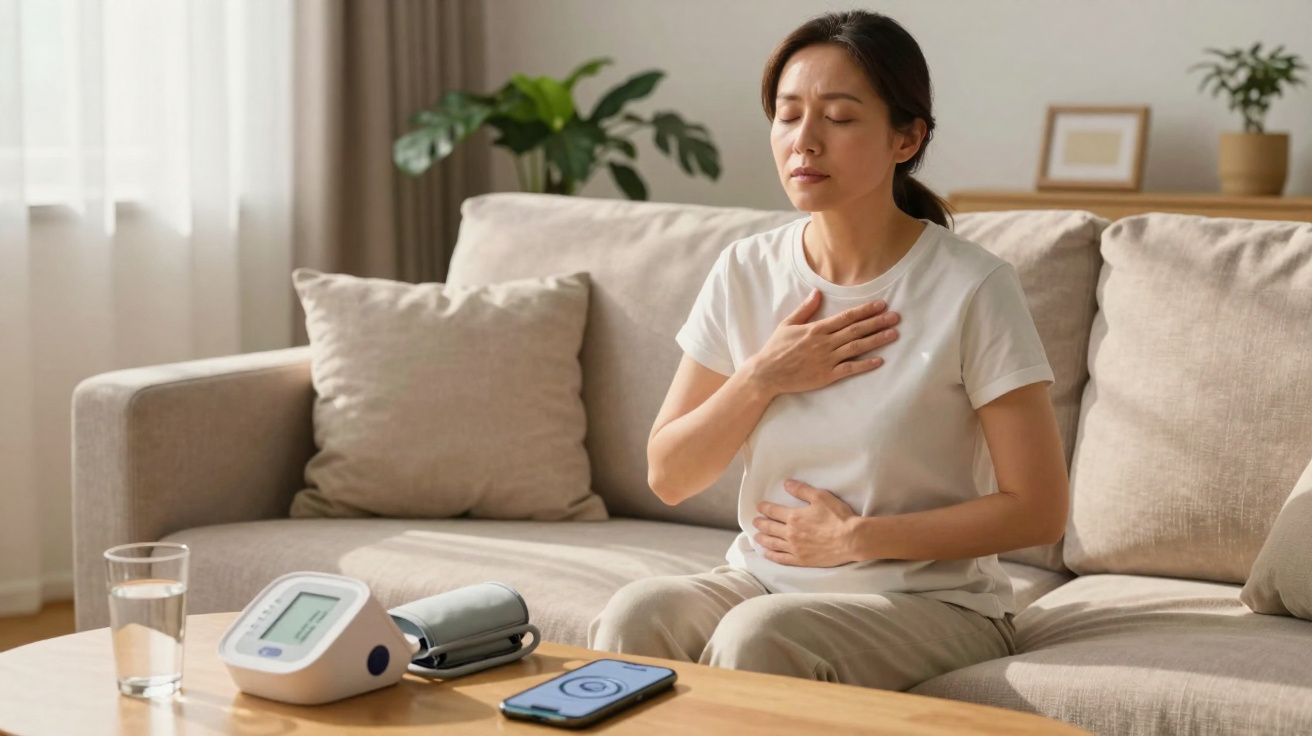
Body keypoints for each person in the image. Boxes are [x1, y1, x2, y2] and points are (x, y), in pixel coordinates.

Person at [586, 10, 1069, 691]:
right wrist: (764, 376)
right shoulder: (745, 271)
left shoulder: (972, 287)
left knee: (758, 637)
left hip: (929, 601)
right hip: (760, 580)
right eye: (788, 116)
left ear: (907, 137)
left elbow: (1038, 509)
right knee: (639, 614)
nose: (803, 142)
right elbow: (669, 473)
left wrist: (858, 540)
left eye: (838, 119)